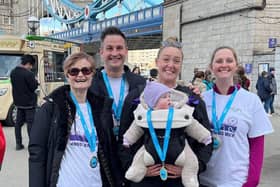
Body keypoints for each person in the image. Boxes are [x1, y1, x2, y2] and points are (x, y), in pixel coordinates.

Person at [122, 37, 212, 187]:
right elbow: (123, 138)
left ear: (181, 65)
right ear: (157, 62)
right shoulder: (138, 96)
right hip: (145, 182)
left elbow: (206, 139)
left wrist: (193, 167)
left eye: (176, 61)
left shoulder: (191, 99)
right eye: (166, 59)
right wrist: (136, 168)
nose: (171, 65)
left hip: (179, 182)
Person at [28, 52, 121, 187]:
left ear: (92, 74)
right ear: (66, 74)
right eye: (74, 71)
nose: (80, 75)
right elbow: (37, 154)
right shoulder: (51, 108)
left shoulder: (102, 109)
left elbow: (110, 151)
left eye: (86, 70)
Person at [199, 46, 274, 187]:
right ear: (211, 67)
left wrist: (252, 182)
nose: (224, 65)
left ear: (236, 66)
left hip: (236, 181)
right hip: (203, 180)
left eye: (229, 60)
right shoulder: (203, 99)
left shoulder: (251, 100)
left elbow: (257, 146)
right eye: (219, 61)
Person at [123, 81, 211, 187]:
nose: (169, 99)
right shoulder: (145, 115)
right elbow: (135, 129)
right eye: (164, 97)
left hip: (180, 148)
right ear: (153, 102)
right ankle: (136, 171)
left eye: (169, 96)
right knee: (139, 158)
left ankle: (189, 178)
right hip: (150, 152)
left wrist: (205, 137)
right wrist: (128, 140)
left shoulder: (180, 112)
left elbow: (193, 126)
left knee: (191, 162)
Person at [89, 26, 146, 186]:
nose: (115, 53)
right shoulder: (90, 84)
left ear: (126, 51)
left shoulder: (140, 83)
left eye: (119, 48)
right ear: (101, 52)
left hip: (132, 158)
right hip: (102, 159)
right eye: (109, 48)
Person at [10, 54, 38, 150]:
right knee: (31, 124)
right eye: (31, 66)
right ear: (29, 64)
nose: (31, 67)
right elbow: (33, 87)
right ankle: (32, 145)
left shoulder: (13, 72)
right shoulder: (28, 74)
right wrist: (36, 81)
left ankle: (18, 144)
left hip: (18, 102)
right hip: (29, 103)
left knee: (18, 124)